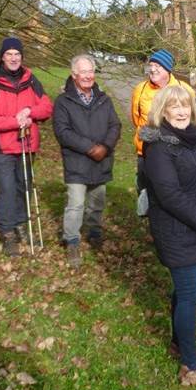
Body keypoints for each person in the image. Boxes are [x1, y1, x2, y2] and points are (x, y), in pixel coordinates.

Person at [140, 85, 196, 385]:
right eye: (173, 106)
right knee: (189, 295)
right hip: (177, 231)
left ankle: (181, 344)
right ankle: (190, 367)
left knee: (183, 291)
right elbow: (170, 196)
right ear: (162, 110)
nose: (180, 111)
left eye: (185, 105)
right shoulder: (159, 147)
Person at [0, 37, 53, 256]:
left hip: (27, 145)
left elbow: (47, 107)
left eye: (17, 54)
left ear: (22, 57)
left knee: (24, 185)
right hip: (2, 148)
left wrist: (30, 112)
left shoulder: (31, 80)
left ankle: (22, 223)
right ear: (2, 57)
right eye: (9, 54)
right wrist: (15, 121)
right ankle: (7, 231)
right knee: (7, 189)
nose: (13, 58)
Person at [53, 54, 121, 269]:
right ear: (74, 75)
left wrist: (105, 146)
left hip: (101, 159)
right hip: (77, 162)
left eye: (91, 71)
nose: (88, 76)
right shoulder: (63, 101)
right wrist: (90, 148)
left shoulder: (104, 99)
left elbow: (115, 125)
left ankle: (94, 232)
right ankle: (72, 240)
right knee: (76, 204)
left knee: (97, 202)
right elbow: (63, 132)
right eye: (83, 72)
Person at [130, 49, 195, 188]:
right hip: (146, 153)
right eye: (151, 65)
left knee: (173, 191)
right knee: (145, 193)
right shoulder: (140, 89)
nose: (152, 69)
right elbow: (136, 119)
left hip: (177, 152)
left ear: (167, 69)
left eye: (157, 66)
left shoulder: (184, 89)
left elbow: (193, 119)